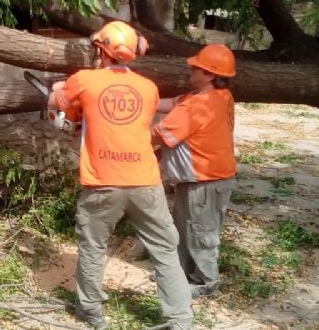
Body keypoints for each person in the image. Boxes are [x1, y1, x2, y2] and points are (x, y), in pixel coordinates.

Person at [47, 21, 193, 330]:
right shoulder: (149, 88)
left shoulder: (83, 79)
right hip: (145, 180)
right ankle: (180, 319)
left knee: (93, 247)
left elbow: (59, 108)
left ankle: (91, 313)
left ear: (101, 49)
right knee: (165, 248)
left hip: (102, 182)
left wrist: (56, 94)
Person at [152, 44, 238, 299]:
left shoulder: (196, 107)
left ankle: (205, 281)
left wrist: (119, 132)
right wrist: (138, 98)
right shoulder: (217, 97)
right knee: (186, 227)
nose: (190, 70)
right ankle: (180, 274)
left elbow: (156, 136)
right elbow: (169, 103)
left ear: (210, 75)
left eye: (196, 68)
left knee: (201, 232)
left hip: (204, 179)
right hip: (203, 178)